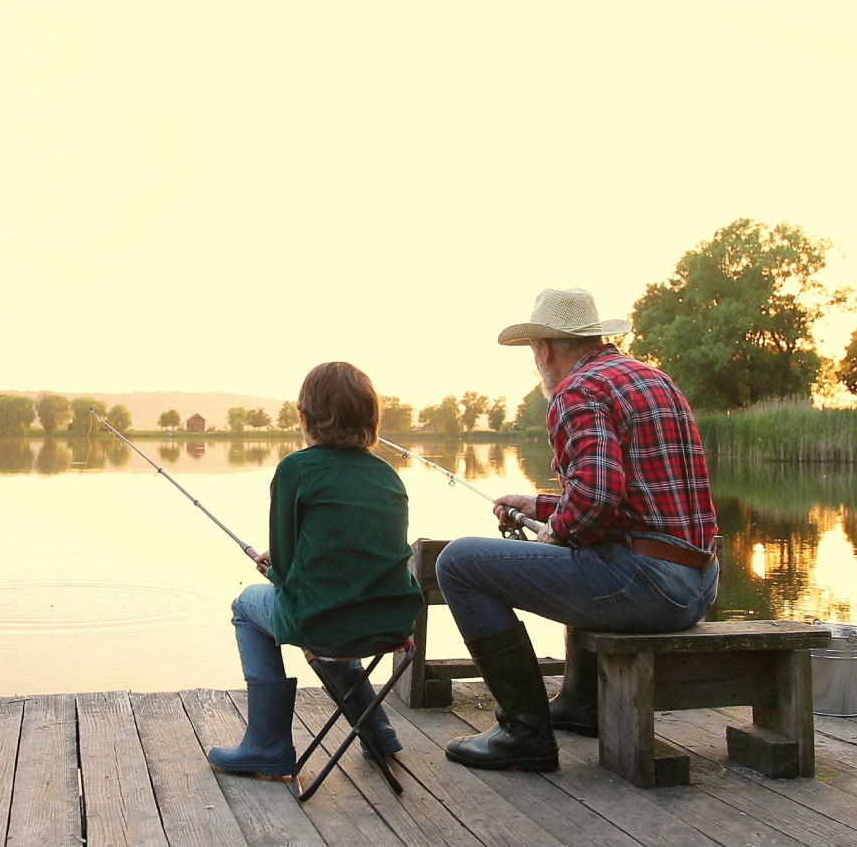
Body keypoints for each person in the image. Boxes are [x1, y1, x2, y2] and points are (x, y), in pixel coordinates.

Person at [435, 288, 719, 771]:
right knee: (586, 545)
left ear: (544, 348)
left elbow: (595, 502)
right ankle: (581, 702)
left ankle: (524, 732)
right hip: (699, 584)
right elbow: (625, 500)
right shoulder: (653, 378)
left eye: (533, 352)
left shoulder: (576, 390)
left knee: (458, 563)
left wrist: (554, 531)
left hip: (649, 587)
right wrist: (542, 505)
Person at [206, 361, 425, 779]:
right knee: (336, 609)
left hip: (325, 623)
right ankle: (377, 731)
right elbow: (368, 556)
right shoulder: (388, 474)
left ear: (305, 416)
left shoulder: (296, 469)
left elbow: (286, 570)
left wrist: (272, 569)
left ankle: (267, 744)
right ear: (370, 415)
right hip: (393, 624)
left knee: (245, 607)